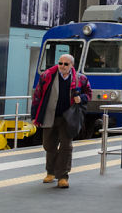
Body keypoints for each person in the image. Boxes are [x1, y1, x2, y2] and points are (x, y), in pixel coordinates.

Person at [30, 53, 91, 189]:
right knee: (48, 145)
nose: (62, 66)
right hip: (49, 115)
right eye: (60, 63)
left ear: (71, 66)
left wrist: (82, 98)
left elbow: (88, 93)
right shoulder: (46, 76)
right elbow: (37, 96)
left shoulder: (81, 79)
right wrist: (34, 115)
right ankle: (51, 171)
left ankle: (63, 176)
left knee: (66, 147)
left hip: (68, 117)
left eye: (65, 64)